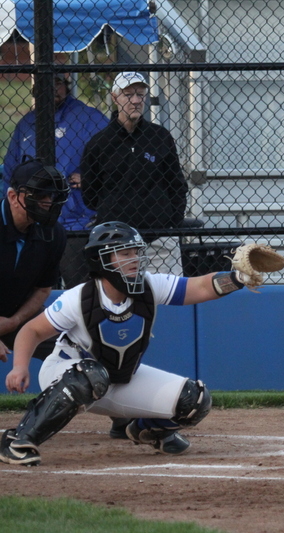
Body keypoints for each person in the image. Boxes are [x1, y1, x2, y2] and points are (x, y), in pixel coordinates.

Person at [0, 221, 262, 466]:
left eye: (135, 252)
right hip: (67, 373)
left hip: (119, 379)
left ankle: (147, 430)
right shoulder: (79, 298)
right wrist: (19, 367)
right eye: (124, 254)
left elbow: (201, 287)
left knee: (194, 400)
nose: (134, 259)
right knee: (91, 374)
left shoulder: (150, 285)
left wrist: (238, 279)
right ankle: (18, 440)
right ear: (101, 260)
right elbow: (32, 330)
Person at [2, 72, 109, 289]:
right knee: (32, 290)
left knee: (79, 291)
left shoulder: (89, 118)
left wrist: (91, 178)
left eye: (58, 82)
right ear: (35, 89)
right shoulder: (26, 124)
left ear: (67, 86)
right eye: (46, 83)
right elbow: (9, 174)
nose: (52, 88)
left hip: (77, 224)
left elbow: (116, 161)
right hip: (33, 225)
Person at [81, 72, 188, 277]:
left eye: (140, 94)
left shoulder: (160, 137)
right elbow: (90, 195)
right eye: (128, 95)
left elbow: (177, 185)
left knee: (168, 293)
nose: (136, 101)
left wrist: (169, 225)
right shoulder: (99, 144)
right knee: (119, 295)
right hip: (116, 243)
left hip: (159, 241)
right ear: (115, 98)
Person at [0, 159, 69, 364]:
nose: (47, 203)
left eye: (51, 196)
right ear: (13, 197)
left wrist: (15, 321)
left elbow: (42, 290)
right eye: (39, 196)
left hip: (17, 315)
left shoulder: (54, 234)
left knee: (71, 349)